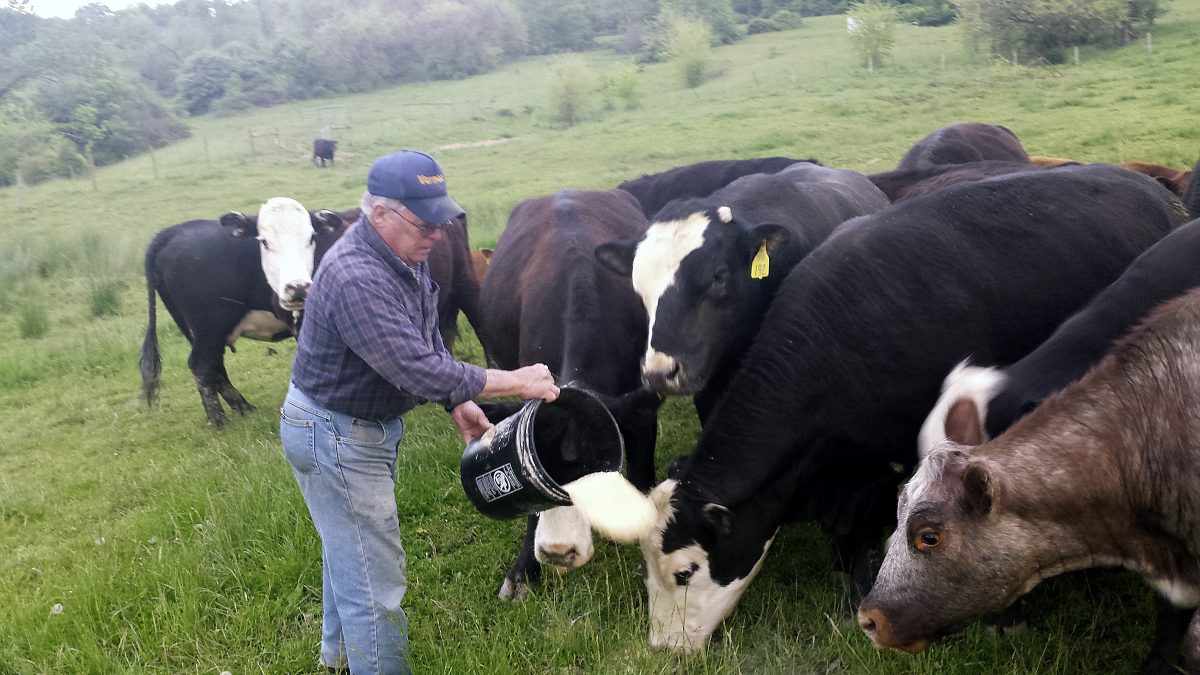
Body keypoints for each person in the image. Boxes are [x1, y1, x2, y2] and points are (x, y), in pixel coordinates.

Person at [280, 149, 559, 674]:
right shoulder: (356, 276)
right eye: (424, 222)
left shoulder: (405, 256)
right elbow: (415, 367)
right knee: (375, 581)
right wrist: (517, 380)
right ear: (378, 214)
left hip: (352, 427)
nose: (436, 233)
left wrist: (459, 399)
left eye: (441, 220)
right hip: (334, 435)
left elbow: (425, 335)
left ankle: (338, 658)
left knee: (349, 549)